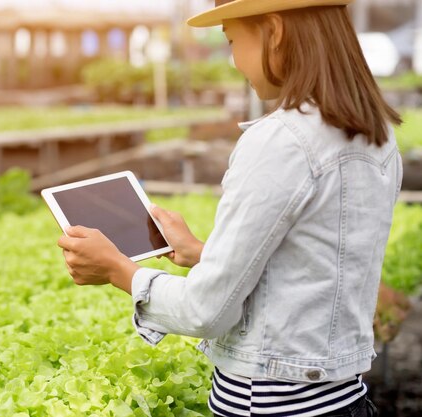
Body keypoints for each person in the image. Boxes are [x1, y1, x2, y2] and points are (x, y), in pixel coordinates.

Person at [57, 0, 403, 415]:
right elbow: (319, 267)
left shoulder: (280, 141)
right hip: (345, 401)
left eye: (233, 40)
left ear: (274, 32)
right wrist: (205, 253)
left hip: (271, 407)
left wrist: (117, 269)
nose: (234, 59)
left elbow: (206, 312)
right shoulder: (376, 135)